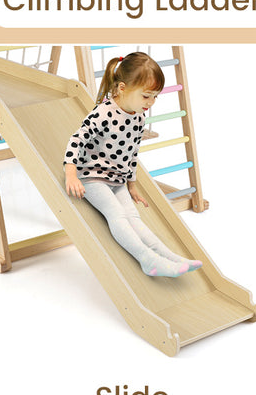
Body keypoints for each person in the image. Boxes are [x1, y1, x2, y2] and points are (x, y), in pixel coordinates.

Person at [63, 52, 202, 278]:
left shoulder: (138, 117)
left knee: (134, 218)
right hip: (92, 177)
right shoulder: (103, 113)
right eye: (147, 96)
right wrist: (71, 174)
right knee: (117, 215)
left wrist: (132, 185)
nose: (151, 103)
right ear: (122, 88)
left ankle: (170, 257)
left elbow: (131, 152)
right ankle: (148, 260)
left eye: (155, 97)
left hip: (117, 179)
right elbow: (76, 139)